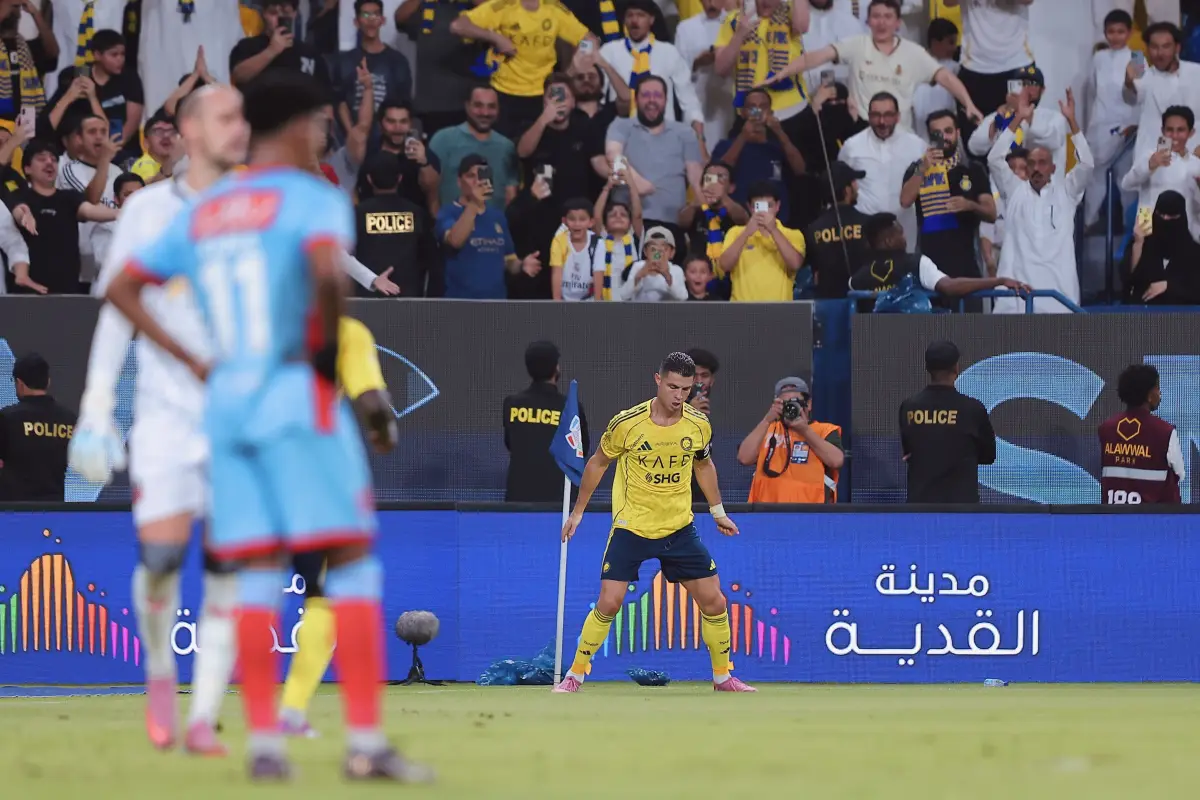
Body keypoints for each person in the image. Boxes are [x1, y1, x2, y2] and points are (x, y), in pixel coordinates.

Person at [103, 72, 431, 782]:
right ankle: (367, 744)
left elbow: (124, 287)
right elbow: (323, 275)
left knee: (254, 571)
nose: (324, 135)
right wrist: (326, 357)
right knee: (350, 558)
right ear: (295, 125)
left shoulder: (207, 207)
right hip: (295, 392)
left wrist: (195, 360)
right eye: (317, 123)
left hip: (227, 405)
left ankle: (264, 747)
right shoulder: (313, 196)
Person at [67, 85, 249, 757]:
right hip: (165, 418)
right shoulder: (145, 212)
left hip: (234, 422)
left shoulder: (253, 212)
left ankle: (201, 716)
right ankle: (159, 672)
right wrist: (94, 407)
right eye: (228, 117)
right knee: (163, 562)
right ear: (192, 130)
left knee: (229, 566)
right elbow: (118, 308)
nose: (240, 129)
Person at [555, 351, 755, 693]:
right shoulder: (627, 423)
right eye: (673, 387)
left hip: (678, 527)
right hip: (632, 527)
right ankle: (575, 674)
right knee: (609, 602)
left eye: (687, 389)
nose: (679, 396)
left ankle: (723, 676)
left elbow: (704, 466)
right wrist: (577, 513)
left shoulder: (698, 424)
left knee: (715, 602)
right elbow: (597, 463)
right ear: (658, 380)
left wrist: (718, 511)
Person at [278, 315, 400, 738]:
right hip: (315, 470)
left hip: (252, 464)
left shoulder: (252, 324)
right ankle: (356, 735)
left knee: (244, 589)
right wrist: (385, 432)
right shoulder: (346, 331)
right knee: (333, 594)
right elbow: (373, 403)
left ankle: (212, 720)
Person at [767, 0, 983, 134]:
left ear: (898, 22)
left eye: (888, 17)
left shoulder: (913, 52)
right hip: (863, 133)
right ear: (868, 20)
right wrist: (783, 73)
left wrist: (969, 104)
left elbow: (945, 77)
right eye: (876, 17)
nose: (881, 22)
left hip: (901, 134)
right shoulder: (857, 44)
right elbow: (816, 57)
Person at [987, 88, 1091, 313]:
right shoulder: (1015, 191)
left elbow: (1087, 165)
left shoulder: (1067, 193)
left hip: (1060, 300)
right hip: (1016, 303)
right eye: (1031, 163)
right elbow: (994, 158)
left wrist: (1072, 122)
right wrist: (1018, 118)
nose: (1037, 168)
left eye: (1043, 162)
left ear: (1053, 168)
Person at [449, 0, 595, 139]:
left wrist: (570, 73)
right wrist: (495, 38)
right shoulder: (502, 6)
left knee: (539, 155)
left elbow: (589, 40)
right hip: (503, 93)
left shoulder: (554, 9)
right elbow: (458, 26)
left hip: (542, 95)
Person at [899, 110, 994, 310]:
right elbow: (905, 200)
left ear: (958, 133)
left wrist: (970, 205)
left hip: (966, 268)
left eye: (948, 131)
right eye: (937, 133)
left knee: (970, 334)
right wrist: (923, 167)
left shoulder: (973, 169)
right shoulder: (917, 168)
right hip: (928, 270)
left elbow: (991, 212)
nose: (944, 137)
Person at [850, 212, 1028, 303]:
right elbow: (950, 287)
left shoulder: (856, 279)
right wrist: (998, 281)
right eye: (900, 234)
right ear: (888, 241)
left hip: (871, 354)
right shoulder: (916, 263)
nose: (904, 238)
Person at [899, 340, 996, 504]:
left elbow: (910, 452)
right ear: (956, 368)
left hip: (920, 505)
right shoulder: (973, 409)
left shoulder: (908, 408)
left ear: (927, 368)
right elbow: (989, 456)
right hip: (962, 505)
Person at [437, 153, 539, 298]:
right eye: (471, 176)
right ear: (459, 181)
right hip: (460, 302)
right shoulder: (448, 212)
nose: (477, 181)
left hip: (495, 302)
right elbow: (455, 241)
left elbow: (509, 261)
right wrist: (474, 203)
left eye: (482, 175)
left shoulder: (498, 216)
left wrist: (522, 265)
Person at [502, 341, 590, 502]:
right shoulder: (570, 408)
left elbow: (510, 443)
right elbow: (581, 450)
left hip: (517, 502)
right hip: (561, 503)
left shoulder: (512, 404)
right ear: (556, 368)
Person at [738, 376, 842, 503]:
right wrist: (766, 420)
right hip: (765, 513)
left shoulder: (824, 430)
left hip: (811, 514)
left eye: (795, 402)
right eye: (786, 404)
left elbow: (836, 461)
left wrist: (804, 430)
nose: (791, 408)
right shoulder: (767, 429)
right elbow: (744, 458)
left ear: (808, 404)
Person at [1083, 9, 1138, 233]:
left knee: (1127, 179)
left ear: (1130, 32)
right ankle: (1089, 220)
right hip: (1100, 125)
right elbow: (1094, 91)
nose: (1115, 37)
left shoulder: (1138, 58)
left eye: (1120, 32)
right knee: (1094, 177)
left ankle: (1130, 227)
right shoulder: (1098, 58)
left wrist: (1129, 83)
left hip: (1128, 126)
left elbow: (1138, 94)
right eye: (1111, 32)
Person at [1098, 363, 1184, 504]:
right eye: (1157, 388)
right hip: (1156, 520)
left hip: (1113, 517)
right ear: (1149, 396)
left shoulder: (1105, 429)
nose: (1159, 393)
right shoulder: (1166, 432)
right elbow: (1180, 473)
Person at [0, 353, 75, 501]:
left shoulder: (6, 418)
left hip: (14, 513)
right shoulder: (70, 420)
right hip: (55, 512)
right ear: (48, 382)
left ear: (19, 383)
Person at [1120, 106, 1200, 238]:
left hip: (1185, 233)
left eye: (1180, 130)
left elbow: (1196, 209)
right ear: (1162, 131)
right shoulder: (1149, 156)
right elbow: (1126, 184)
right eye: (1169, 130)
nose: (1174, 135)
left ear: (1191, 133)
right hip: (1148, 229)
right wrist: (1150, 165)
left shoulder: (1196, 164)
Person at [718, 180, 805, 301]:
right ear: (750, 207)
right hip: (741, 310)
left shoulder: (793, 234)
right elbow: (724, 265)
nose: (764, 212)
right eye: (758, 206)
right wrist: (747, 233)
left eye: (769, 206)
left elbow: (795, 264)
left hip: (779, 311)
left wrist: (773, 230)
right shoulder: (735, 232)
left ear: (778, 206)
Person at [805, 162, 870, 299]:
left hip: (828, 307)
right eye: (854, 183)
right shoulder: (869, 224)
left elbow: (814, 273)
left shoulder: (813, 229)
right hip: (862, 303)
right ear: (847, 190)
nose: (857, 187)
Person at [1124, 190, 1200, 305]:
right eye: (1161, 214)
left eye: (1171, 216)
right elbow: (1129, 279)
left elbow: (1195, 290)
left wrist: (1168, 286)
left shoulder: (1194, 251)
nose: (1165, 219)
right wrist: (1138, 243)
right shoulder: (1143, 243)